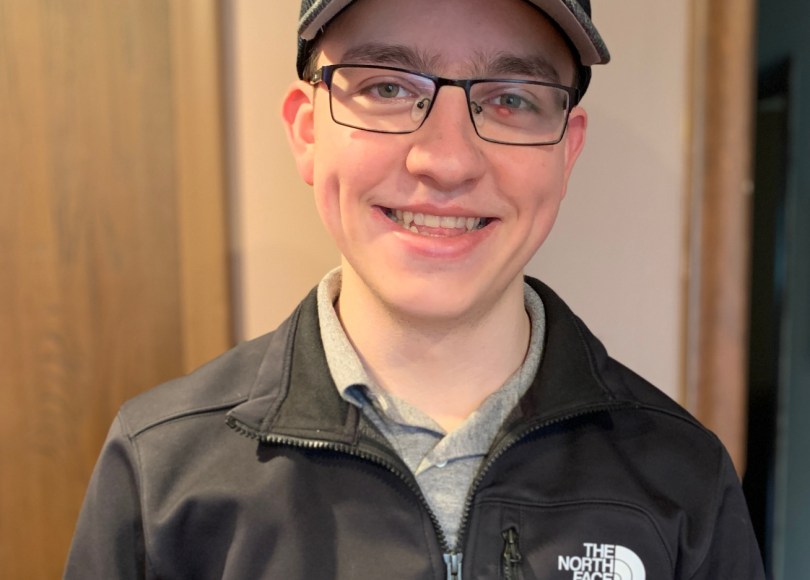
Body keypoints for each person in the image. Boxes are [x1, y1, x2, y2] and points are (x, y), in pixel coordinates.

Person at [65, 0, 765, 578]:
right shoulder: (158, 474)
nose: (447, 160)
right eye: (388, 87)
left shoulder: (683, 479)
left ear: (567, 148)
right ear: (307, 132)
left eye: (512, 98)